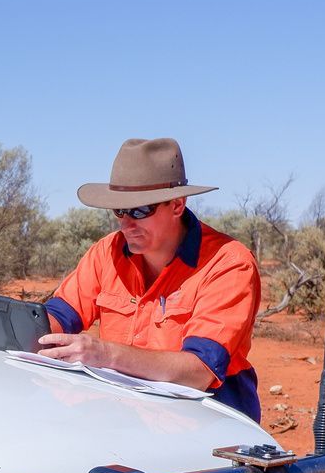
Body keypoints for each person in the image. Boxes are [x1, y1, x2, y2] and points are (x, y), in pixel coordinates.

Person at [40, 137, 263, 421]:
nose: (125, 222)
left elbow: (198, 371)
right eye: (119, 210)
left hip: (210, 430)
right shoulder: (107, 252)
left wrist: (104, 353)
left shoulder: (228, 263)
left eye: (140, 210)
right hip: (125, 421)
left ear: (177, 204)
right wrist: (21, 328)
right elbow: (59, 314)